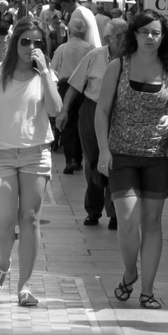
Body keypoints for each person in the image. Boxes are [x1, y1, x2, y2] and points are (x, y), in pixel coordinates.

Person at [95, 9, 168, 310]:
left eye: (156, 32)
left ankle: (147, 290)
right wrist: (103, 150)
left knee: (152, 223)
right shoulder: (118, 66)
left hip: (157, 157)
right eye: (145, 31)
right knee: (127, 218)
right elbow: (102, 111)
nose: (150, 37)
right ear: (134, 34)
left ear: (164, 37)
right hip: (121, 154)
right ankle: (130, 271)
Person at [0, 17, 62, 308]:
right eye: (25, 41)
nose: (31, 47)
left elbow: (55, 109)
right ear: (14, 42)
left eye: (38, 43)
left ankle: (24, 287)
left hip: (36, 154)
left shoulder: (46, 76)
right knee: (5, 220)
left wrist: (46, 71)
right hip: (2, 155)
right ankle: (4, 261)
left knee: (30, 219)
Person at [63, 18, 125, 231]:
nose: (126, 39)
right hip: (92, 110)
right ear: (109, 39)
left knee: (115, 161)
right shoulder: (95, 56)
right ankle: (93, 210)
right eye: (121, 35)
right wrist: (63, 111)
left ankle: (115, 212)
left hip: (119, 115)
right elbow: (74, 86)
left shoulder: (133, 60)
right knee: (93, 162)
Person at [50, 10, 97, 174]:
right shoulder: (90, 48)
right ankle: (81, 157)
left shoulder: (63, 48)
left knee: (68, 122)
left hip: (65, 87)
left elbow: (52, 71)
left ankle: (72, 159)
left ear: (69, 31)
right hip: (85, 88)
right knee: (82, 121)